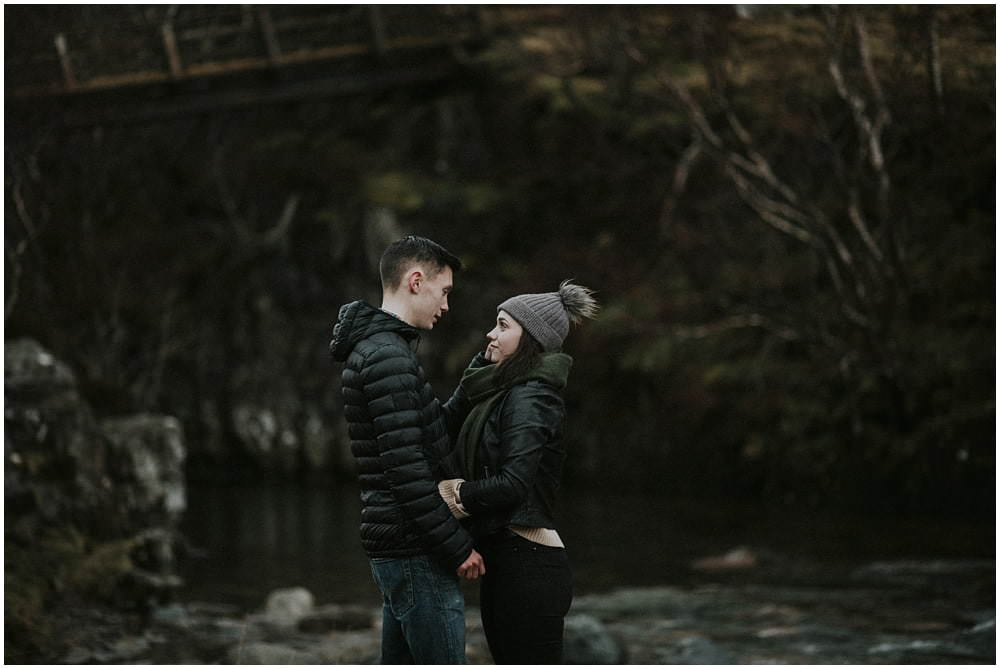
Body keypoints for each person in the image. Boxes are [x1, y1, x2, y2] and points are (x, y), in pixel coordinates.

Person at [329, 235, 485, 664]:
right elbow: (407, 471)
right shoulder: (388, 358)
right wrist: (457, 547)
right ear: (416, 281)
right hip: (416, 551)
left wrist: (480, 374)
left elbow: (431, 431)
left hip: (400, 546)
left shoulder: (385, 350)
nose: (447, 305)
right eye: (445, 291)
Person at [437, 280, 599, 664]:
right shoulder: (498, 388)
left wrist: (459, 496)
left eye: (503, 325)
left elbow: (514, 483)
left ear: (530, 340)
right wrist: (479, 366)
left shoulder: (533, 395)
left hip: (529, 563)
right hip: (507, 558)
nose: (491, 333)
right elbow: (443, 425)